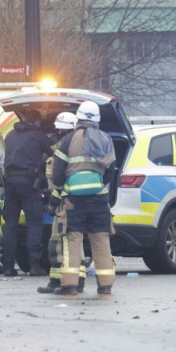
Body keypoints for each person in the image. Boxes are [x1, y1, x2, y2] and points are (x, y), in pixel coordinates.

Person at [49, 100, 116, 296]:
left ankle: (69, 286)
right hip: (99, 199)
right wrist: (100, 185)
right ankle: (105, 286)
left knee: (73, 239)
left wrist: (59, 193)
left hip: (74, 200)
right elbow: (111, 169)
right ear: (97, 119)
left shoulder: (68, 140)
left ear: (78, 117)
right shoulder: (105, 138)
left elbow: (58, 172)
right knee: (101, 240)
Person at [0, 108, 53, 276]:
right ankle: (35, 264)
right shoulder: (38, 135)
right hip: (30, 183)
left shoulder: (10, 135)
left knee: (10, 225)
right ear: (37, 122)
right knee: (34, 223)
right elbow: (55, 154)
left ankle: (8, 266)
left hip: (10, 183)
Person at [38, 112, 81, 295]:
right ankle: (74, 280)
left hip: (64, 202)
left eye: (58, 130)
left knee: (58, 241)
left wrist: (54, 200)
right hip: (72, 201)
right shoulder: (74, 147)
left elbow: (59, 180)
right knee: (71, 241)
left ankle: (58, 281)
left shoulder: (63, 150)